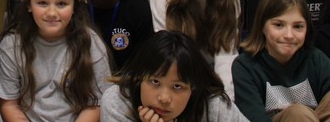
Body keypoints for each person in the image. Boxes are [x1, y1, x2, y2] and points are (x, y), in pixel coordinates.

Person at [0, 0, 111, 122]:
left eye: (61, 4)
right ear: (28, 4)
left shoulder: (90, 42)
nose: (51, 13)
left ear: (74, 6)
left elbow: (97, 103)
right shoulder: (11, 46)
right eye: (42, 3)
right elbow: (9, 105)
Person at [233, 0, 330, 122]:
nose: (289, 35)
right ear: (262, 26)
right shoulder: (245, 66)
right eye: (279, 25)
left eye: (298, 26)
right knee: (297, 113)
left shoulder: (315, 59)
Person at [102, 30, 248, 122]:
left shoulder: (212, 105)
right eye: (155, 81)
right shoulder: (118, 101)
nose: (164, 98)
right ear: (139, 77)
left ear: (194, 87)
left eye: (177, 86)